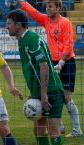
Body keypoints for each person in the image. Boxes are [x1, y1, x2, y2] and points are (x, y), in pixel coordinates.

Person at [17, 0, 83, 137]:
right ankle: (59, 126)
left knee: (66, 97)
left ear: (58, 8)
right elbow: (33, 12)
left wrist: (61, 63)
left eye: (50, 6)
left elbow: (69, 44)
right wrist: (21, 2)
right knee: (52, 95)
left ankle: (77, 130)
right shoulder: (46, 20)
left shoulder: (65, 23)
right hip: (52, 63)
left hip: (67, 62)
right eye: (46, 6)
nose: (47, 8)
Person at [6, 9, 65, 145]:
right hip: (39, 92)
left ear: (18, 25)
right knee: (38, 130)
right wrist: (35, 93)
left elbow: (43, 66)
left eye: (9, 23)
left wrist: (43, 94)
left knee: (53, 129)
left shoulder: (31, 39)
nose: (6, 26)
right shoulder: (23, 40)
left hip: (51, 90)